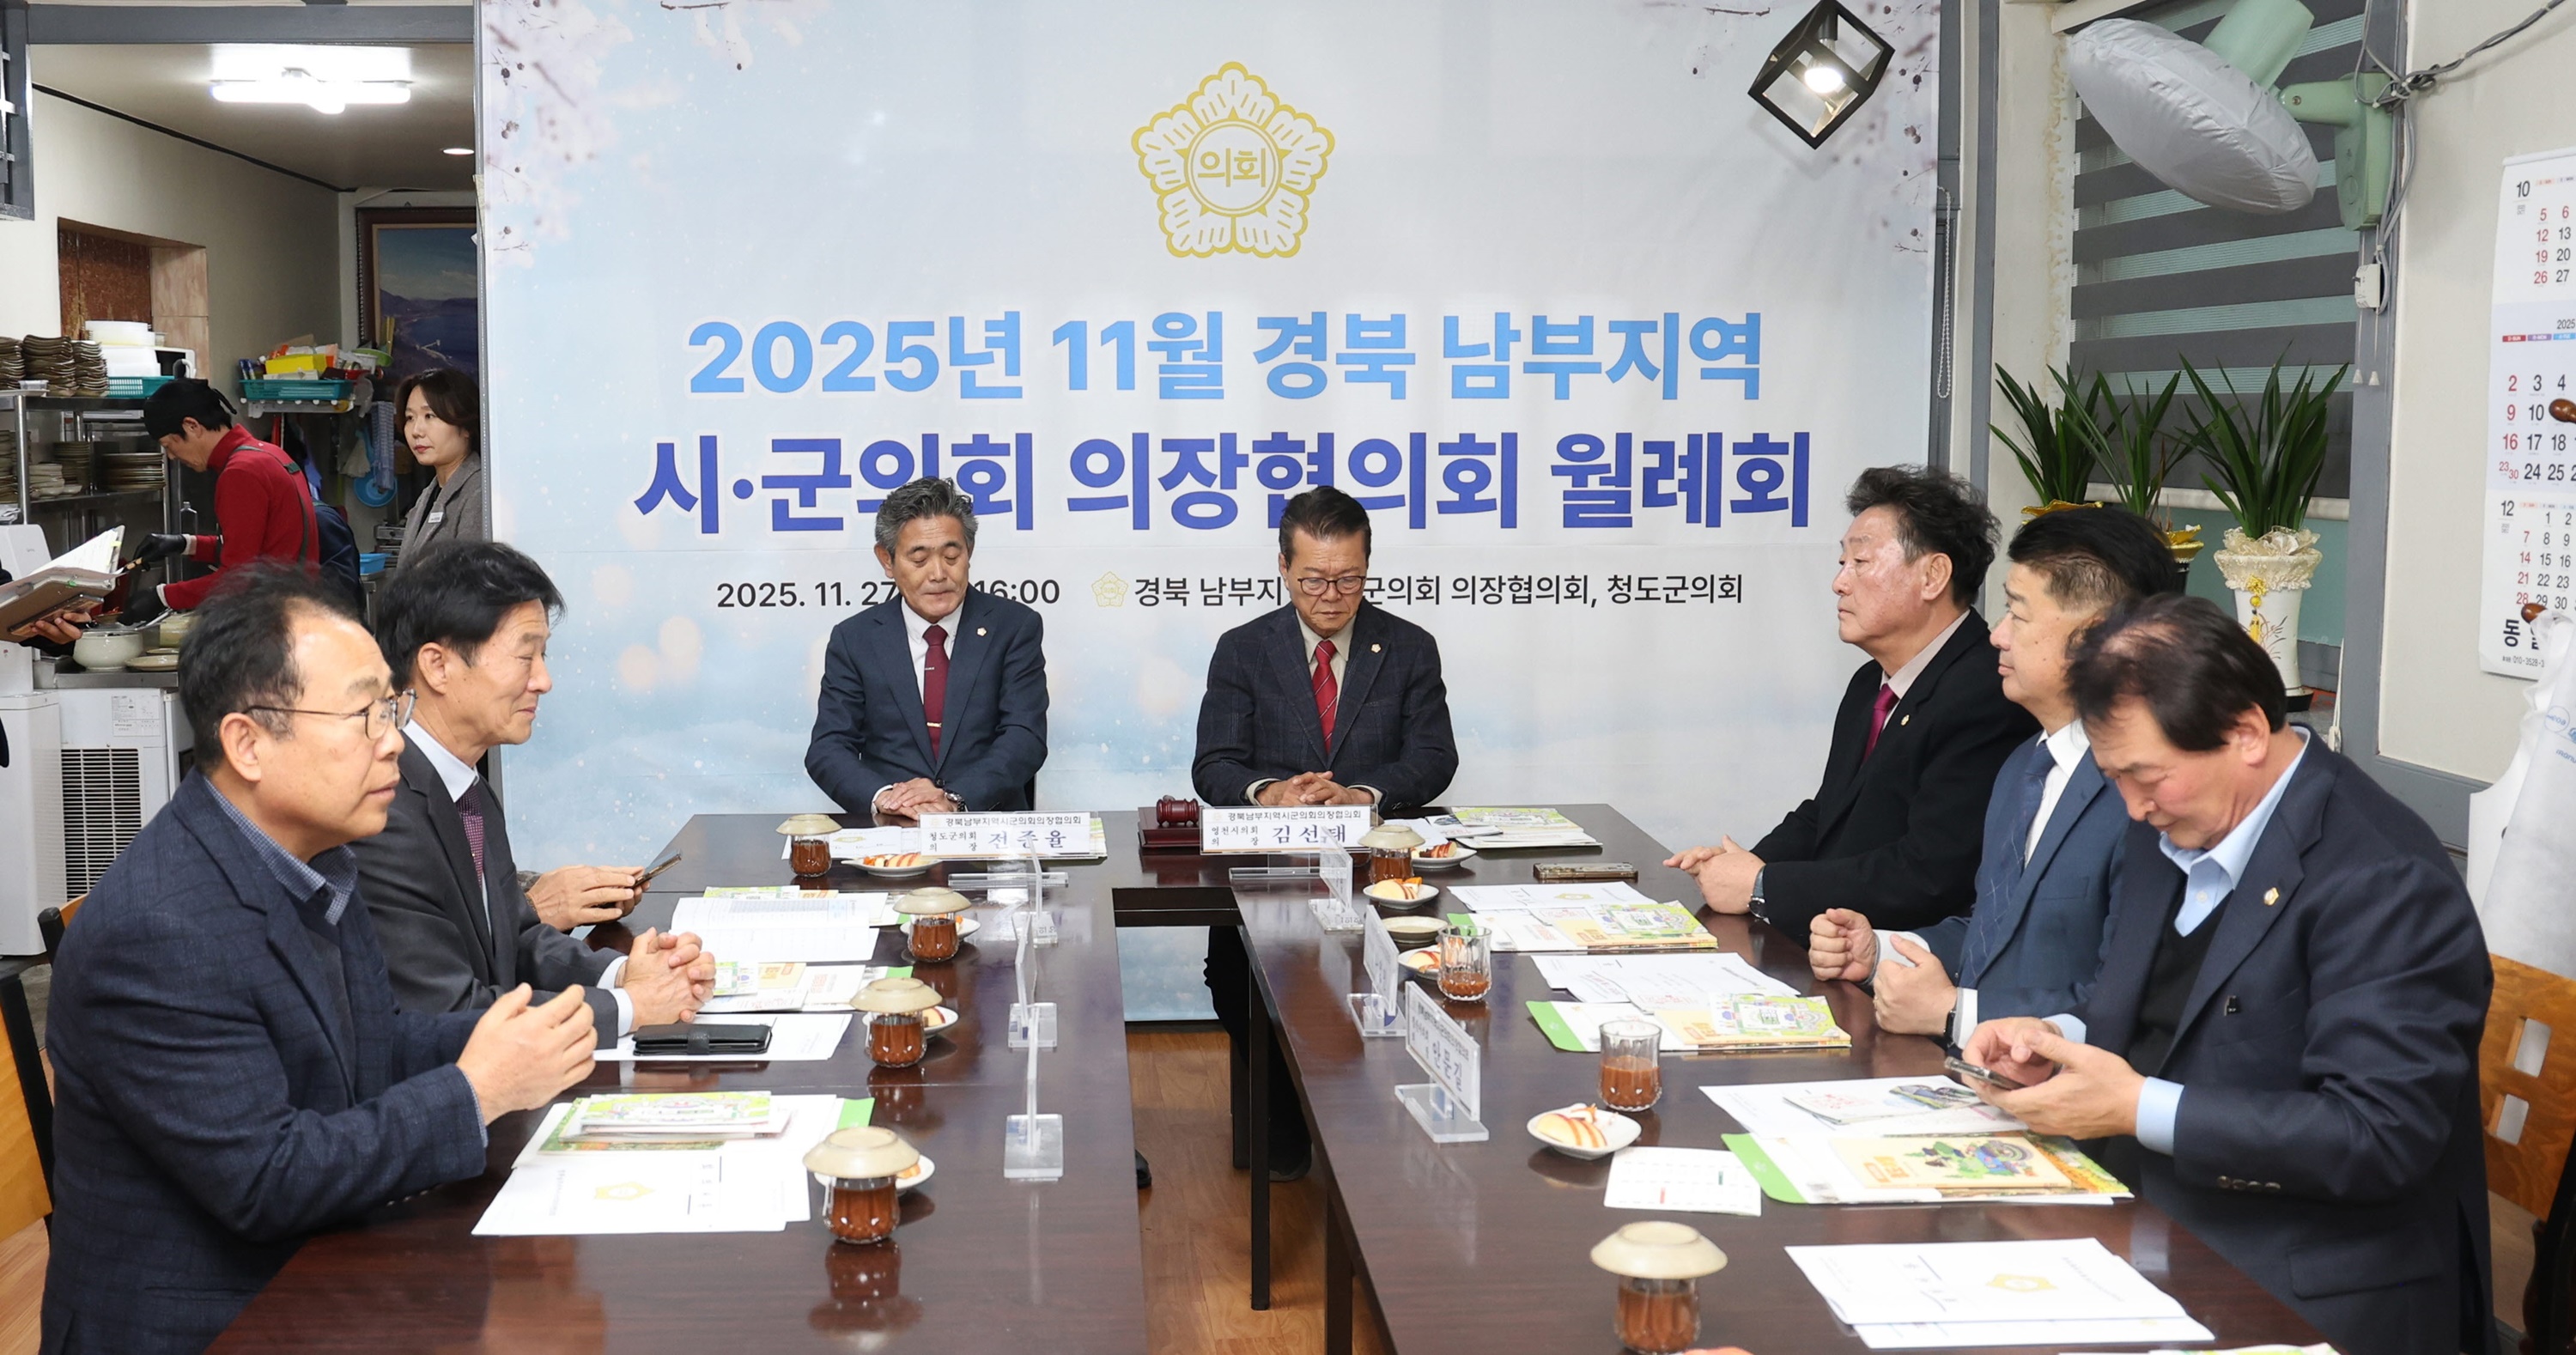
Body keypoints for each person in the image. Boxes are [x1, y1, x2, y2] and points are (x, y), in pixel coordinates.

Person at [40, 565, 600, 1353]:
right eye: (365, 715)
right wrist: (476, 1092)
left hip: (323, 1270)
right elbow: (267, 1180)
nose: (393, 740)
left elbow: (371, 1042)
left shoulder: (313, 854)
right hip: (217, 1321)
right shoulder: (162, 931)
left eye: (391, 708)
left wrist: (532, 1034)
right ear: (248, 743)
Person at [1962, 595, 2494, 1355]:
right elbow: (2157, 1008)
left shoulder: (2382, 877)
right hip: (2146, 1211)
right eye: (2114, 778)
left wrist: (2135, 1106)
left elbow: (2377, 1135)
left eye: (2147, 777)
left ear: (2245, 732)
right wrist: (2057, 1040)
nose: (2133, 808)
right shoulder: (2173, 820)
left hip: (2303, 1271)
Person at [1809, 507, 2177, 1037]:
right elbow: (1991, 934)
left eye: (2018, 616)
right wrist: (1879, 950)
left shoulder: (2148, 797)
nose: (1997, 636)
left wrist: (1957, 1014)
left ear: (2095, 638)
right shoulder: (2024, 765)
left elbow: (2130, 1002)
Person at [1193, 485, 1459, 1180]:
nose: (1332, 596)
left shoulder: (1409, 648)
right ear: (1283, 567)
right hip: (1273, 869)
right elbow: (1214, 765)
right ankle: (1283, 1117)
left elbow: (1435, 757)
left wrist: (1362, 795)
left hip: (1378, 872)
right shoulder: (1243, 650)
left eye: (1349, 579)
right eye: (1314, 579)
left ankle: (1375, 1118)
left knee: (1405, 978)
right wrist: (1272, 792)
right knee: (1234, 978)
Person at [354, 541, 714, 1047]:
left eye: (543, 656)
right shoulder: (383, 812)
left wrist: (620, 973)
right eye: (525, 657)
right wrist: (631, 1007)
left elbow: (514, 940)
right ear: (437, 666)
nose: (543, 681)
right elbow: (449, 1010)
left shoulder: (466, 787)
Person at [1667, 465, 2035, 937]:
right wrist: (1744, 866)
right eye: (1843, 563)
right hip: (1834, 942)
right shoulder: (1869, 683)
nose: (1840, 583)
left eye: (1860, 563)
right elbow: (1829, 814)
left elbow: (1930, 875)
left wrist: (1762, 886)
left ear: (1933, 576)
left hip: (1905, 958)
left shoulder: (1987, 692)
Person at [807, 477, 1048, 817]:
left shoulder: (1014, 627)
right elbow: (829, 748)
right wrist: (887, 799)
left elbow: (1024, 737)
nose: (938, 574)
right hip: (894, 827)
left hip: (985, 824)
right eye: (919, 560)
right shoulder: (855, 639)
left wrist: (953, 798)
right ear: (887, 561)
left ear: (969, 552)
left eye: (951, 555)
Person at [126, 380, 318, 616]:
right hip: (297, 608)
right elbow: (260, 548)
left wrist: (163, 596)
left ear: (192, 426)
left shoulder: (241, 472)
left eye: (168, 444)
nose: (172, 456)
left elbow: (237, 581)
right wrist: (184, 543)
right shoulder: (269, 453)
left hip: (273, 616)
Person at [392, 368, 486, 568]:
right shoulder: (429, 494)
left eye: (430, 416)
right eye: (410, 418)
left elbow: (472, 579)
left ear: (466, 426)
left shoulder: (480, 493)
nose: (416, 431)